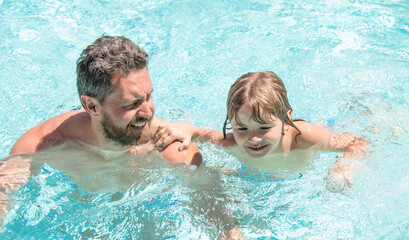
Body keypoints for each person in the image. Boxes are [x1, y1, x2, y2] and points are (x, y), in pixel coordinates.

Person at [0, 36, 203, 227]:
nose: (148, 112)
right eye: (132, 104)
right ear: (92, 107)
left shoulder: (170, 147)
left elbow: (214, 202)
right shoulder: (42, 145)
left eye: (149, 96)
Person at [163, 71, 369, 188]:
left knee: (352, 123)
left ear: (285, 118)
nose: (253, 138)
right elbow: (205, 135)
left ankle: (359, 104)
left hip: (319, 129)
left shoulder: (305, 138)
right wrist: (190, 130)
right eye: (241, 127)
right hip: (265, 178)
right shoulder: (232, 141)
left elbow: (358, 142)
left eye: (264, 128)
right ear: (231, 122)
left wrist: (344, 167)